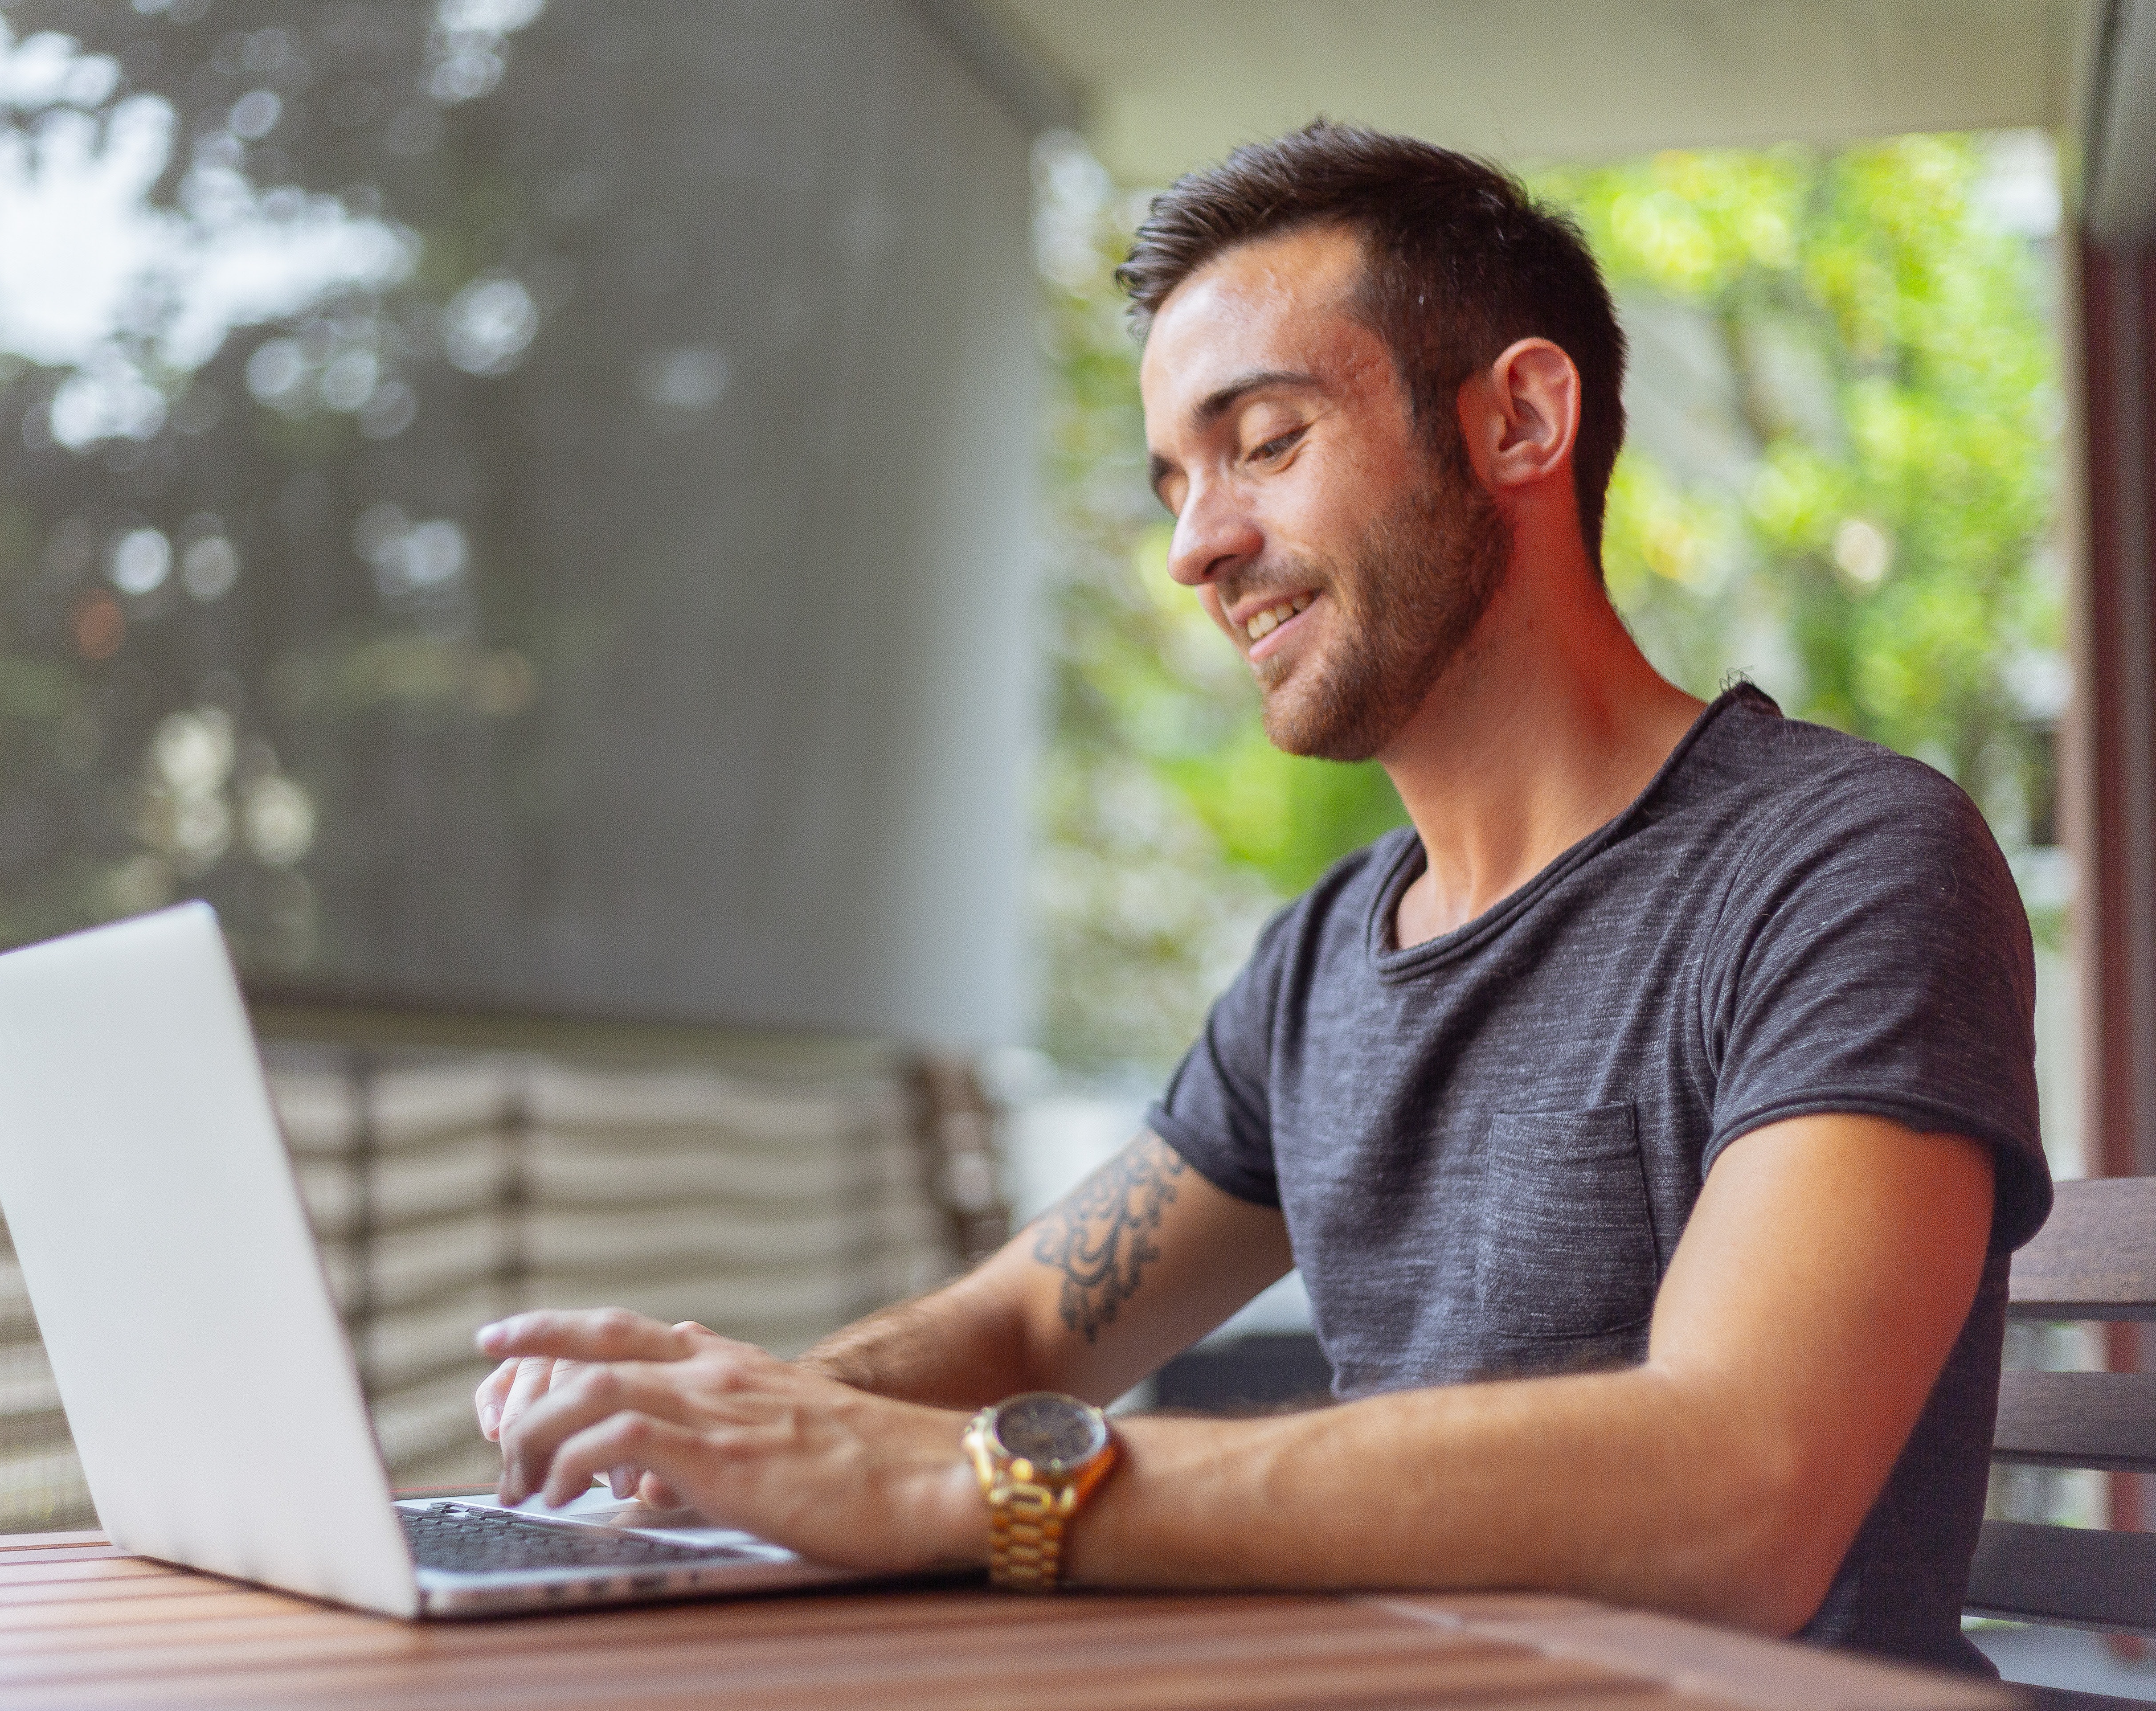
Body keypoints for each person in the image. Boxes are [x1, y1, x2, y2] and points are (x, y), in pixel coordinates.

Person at [469, 121, 2050, 1674]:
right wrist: (747, 1425)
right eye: (1173, 480)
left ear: (1520, 422)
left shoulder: (1841, 866)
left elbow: (1736, 1497)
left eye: (1267, 442)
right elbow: (1031, 1331)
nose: (1196, 547)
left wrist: (965, 1484)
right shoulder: (1323, 963)